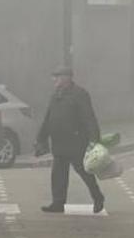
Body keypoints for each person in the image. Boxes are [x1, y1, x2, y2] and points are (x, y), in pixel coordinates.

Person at [35, 67, 104, 214]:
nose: (55, 80)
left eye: (58, 77)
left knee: (84, 171)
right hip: (59, 141)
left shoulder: (80, 94)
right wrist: (41, 137)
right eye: (54, 77)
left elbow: (89, 118)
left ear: (68, 78)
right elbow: (49, 118)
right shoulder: (55, 95)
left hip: (76, 141)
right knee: (58, 174)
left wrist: (94, 140)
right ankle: (58, 203)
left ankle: (98, 197)